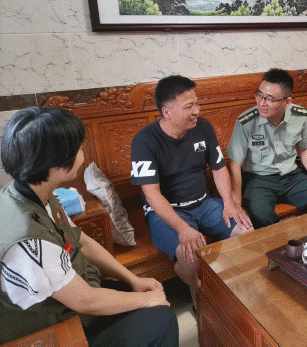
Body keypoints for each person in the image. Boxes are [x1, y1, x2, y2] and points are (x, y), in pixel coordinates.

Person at [0, 107, 178, 346]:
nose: (82, 153)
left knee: (151, 304)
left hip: (78, 294)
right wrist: (148, 301)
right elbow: (85, 301)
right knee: (160, 319)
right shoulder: (27, 238)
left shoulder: (38, 192)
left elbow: (81, 241)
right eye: (78, 148)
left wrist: (132, 279)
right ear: (55, 164)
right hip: (56, 324)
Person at [131, 75, 253, 304]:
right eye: (189, 106)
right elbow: (151, 194)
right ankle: (197, 290)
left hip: (205, 203)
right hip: (169, 212)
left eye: (197, 103)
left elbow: (219, 168)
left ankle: (233, 284)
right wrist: (182, 228)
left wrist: (229, 204)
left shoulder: (203, 127)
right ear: (167, 112)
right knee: (190, 257)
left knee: (246, 230)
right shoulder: (144, 141)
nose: (197, 111)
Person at [227, 68, 307, 228]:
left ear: (287, 102)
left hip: (292, 176)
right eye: (259, 95)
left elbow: (305, 148)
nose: (262, 103)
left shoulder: (300, 116)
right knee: (260, 215)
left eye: (270, 99)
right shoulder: (246, 121)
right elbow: (235, 164)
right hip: (259, 179)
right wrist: (237, 203)